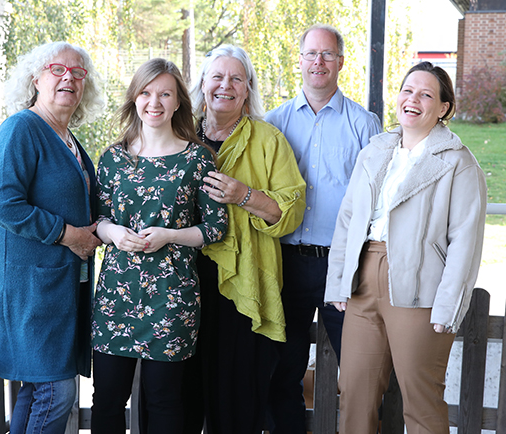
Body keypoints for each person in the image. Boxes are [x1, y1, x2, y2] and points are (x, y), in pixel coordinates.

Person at [324, 61, 487, 434]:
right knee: (354, 394)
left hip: (420, 290)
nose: (412, 100)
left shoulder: (458, 163)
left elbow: (466, 242)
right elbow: (348, 219)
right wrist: (338, 281)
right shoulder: (374, 151)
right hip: (363, 281)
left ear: (443, 108)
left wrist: (449, 305)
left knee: (421, 400)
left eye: (426, 94)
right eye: (408, 90)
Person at [89, 58, 228, 434]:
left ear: (179, 101)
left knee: (165, 401)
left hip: (171, 297)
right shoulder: (113, 158)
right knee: (107, 400)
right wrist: (114, 233)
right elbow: (98, 220)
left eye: (165, 94)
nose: (155, 102)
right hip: (116, 296)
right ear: (134, 98)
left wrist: (170, 236)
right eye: (146, 93)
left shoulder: (197, 158)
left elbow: (215, 228)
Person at [0, 41, 105, 434]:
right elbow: (1, 204)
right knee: (56, 391)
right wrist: (68, 235)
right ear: (36, 79)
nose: (69, 78)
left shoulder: (67, 138)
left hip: (55, 291)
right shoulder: (21, 129)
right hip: (25, 292)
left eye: (78, 72)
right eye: (57, 70)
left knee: (39, 392)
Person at [183, 45, 307, 434]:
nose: (226, 85)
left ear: (248, 88)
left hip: (243, 285)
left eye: (237, 78)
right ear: (202, 83)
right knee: (179, 399)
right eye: (217, 76)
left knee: (236, 399)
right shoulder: (178, 134)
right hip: (181, 283)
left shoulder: (268, 140)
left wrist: (244, 195)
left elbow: (290, 211)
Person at [264, 23, 381, 433]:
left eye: (327, 54)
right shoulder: (274, 123)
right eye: (311, 54)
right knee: (283, 371)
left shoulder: (365, 125)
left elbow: (375, 199)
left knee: (360, 371)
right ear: (299, 61)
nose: (319, 61)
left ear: (341, 62)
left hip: (343, 265)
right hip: (287, 263)